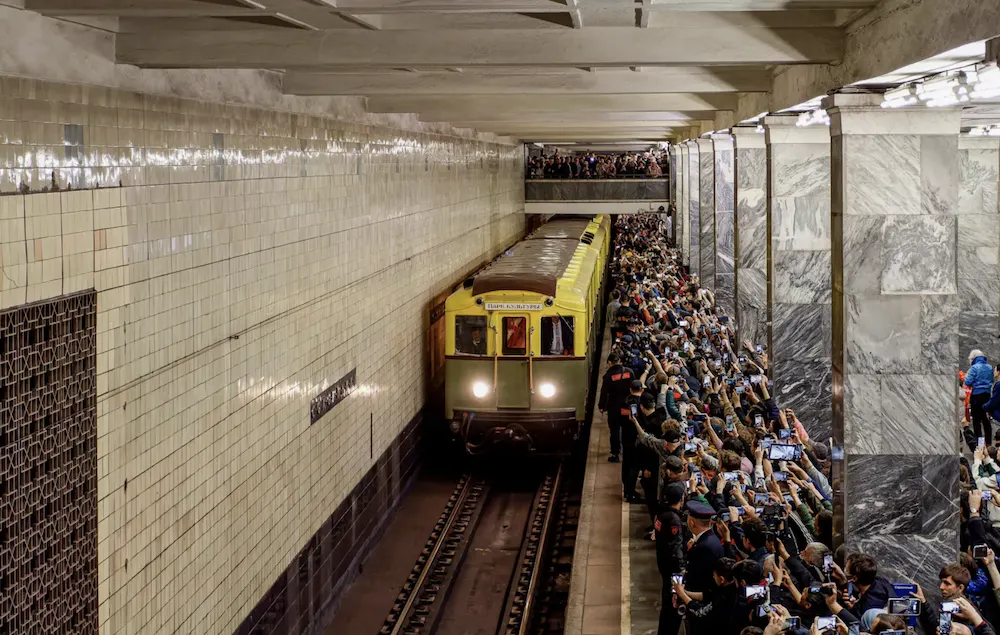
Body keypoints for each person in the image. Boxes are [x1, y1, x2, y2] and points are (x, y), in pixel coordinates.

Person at [656, 482, 688, 635]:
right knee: (673, 605)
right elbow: (676, 546)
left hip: (663, 562)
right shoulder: (674, 519)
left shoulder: (662, 513)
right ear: (681, 498)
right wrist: (681, 568)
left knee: (668, 604)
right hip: (673, 568)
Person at [599, 352, 633, 463]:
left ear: (609, 362)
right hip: (627, 407)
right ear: (619, 361)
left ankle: (615, 453)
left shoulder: (608, 376)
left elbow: (604, 393)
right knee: (627, 428)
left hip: (614, 408)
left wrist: (601, 406)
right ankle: (628, 451)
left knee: (614, 430)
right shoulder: (629, 372)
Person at [967, 350, 995, 443]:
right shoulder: (990, 367)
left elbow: (967, 382)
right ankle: (988, 444)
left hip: (976, 397)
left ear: (973, 358)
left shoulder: (974, 368)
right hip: (987, 396)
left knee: (977, 422)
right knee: (986, 421)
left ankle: (980, 445)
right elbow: (991, 380)